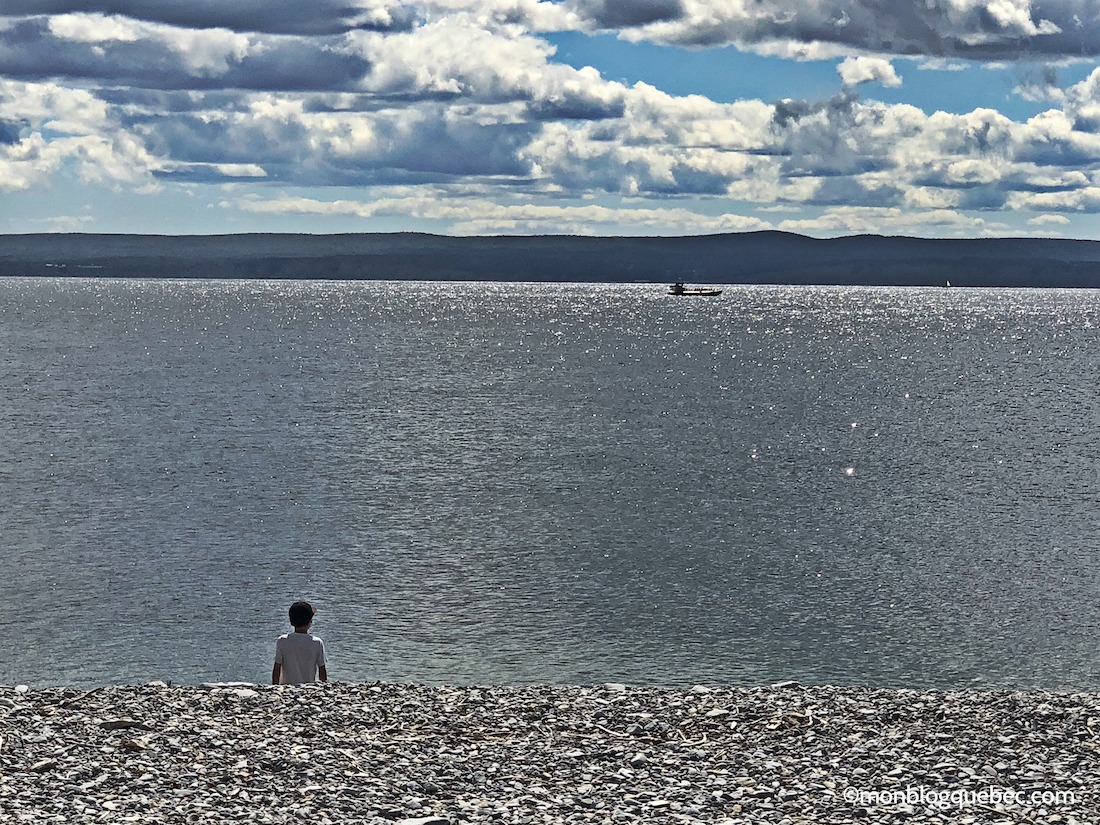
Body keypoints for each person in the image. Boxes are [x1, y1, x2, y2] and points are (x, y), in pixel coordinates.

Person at [272, 600, 328, 685]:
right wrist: (324, 687)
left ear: (291, 621)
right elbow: (322, 669)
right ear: (310, 622)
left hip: (287, 687)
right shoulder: (317, 642)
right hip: (309, 687)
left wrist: (274, 687)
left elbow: (277, 668)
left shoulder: (282, 640)